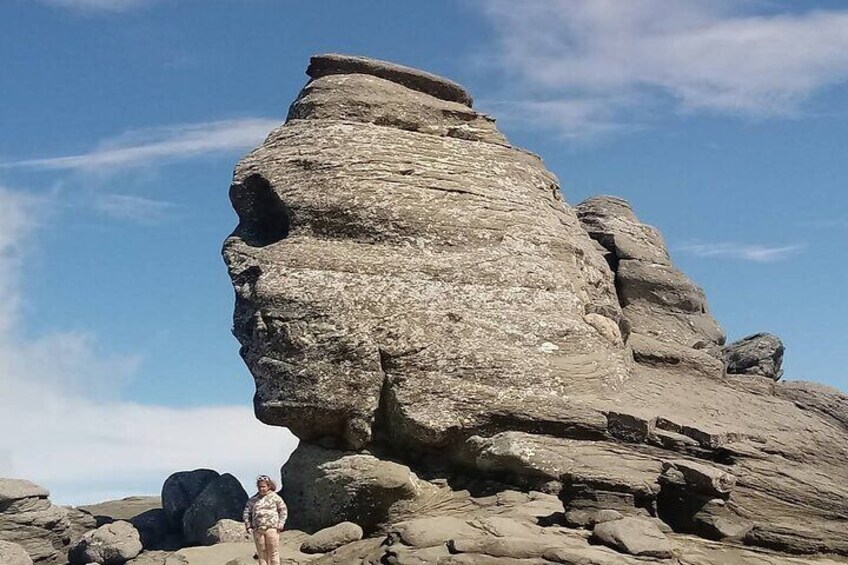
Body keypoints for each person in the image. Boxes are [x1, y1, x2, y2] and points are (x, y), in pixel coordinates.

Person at [243, 474, 287, 565]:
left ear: (268, 486)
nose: (261, 489)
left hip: (272, 527)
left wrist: (281, 523)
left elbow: (283, 510)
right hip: (258, 529)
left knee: (273, 552)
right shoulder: (253, 500)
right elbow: (246, 513)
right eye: (259, 487)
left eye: (263, 486)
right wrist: (248, 526)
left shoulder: (275, 498)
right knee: (261, 553)